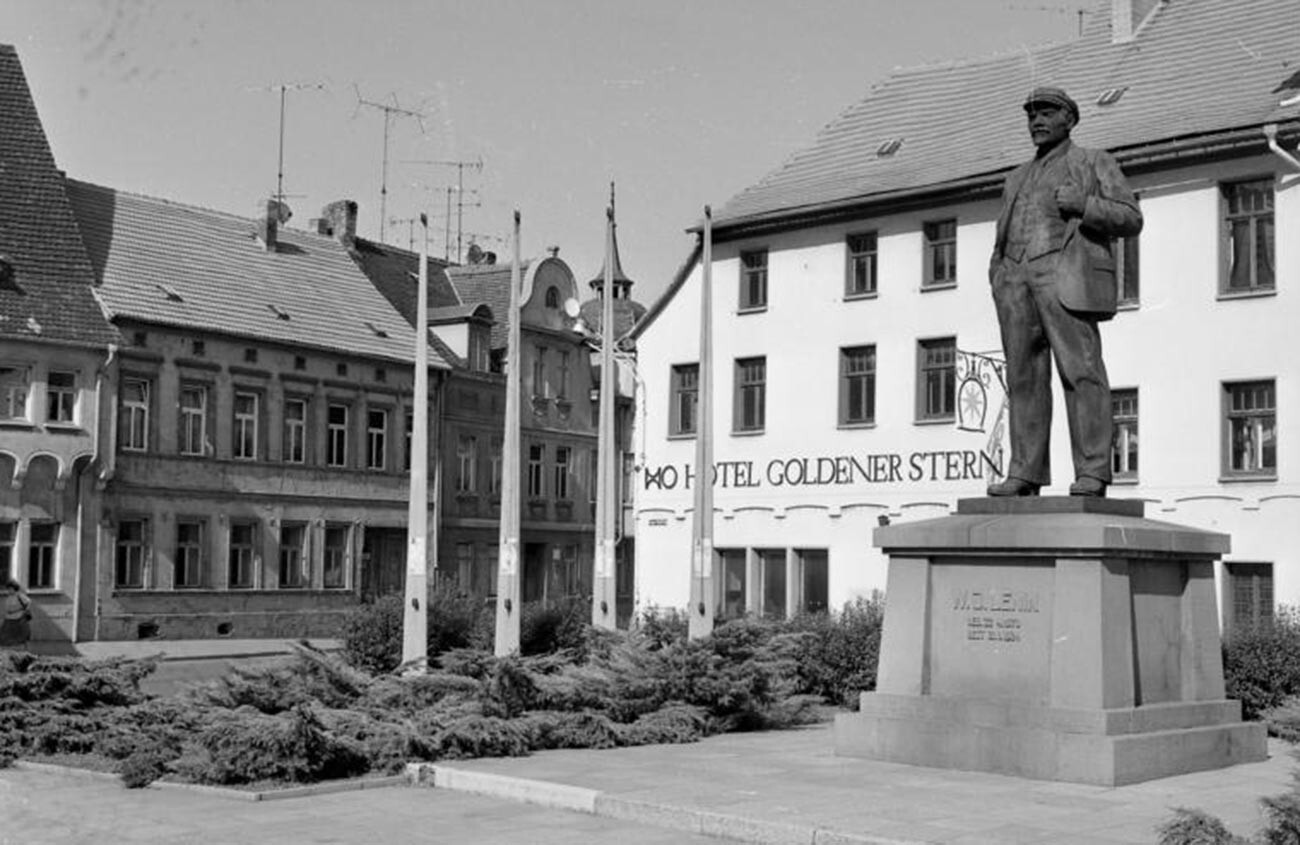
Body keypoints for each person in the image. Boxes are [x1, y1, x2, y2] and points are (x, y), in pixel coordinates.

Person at [986, 86, 1143, 498]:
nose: (1037, 121)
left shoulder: (1093, 161)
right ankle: (1025, 472)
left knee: (1082, 372)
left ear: (1069, 120)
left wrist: (1084, 204)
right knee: (1023, 378)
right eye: (1032, 114)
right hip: (1016, 281)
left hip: (1065, 274)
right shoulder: (1015, 178)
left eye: (1047, 113)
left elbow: (1130, 217)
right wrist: (1000, 273)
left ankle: (1092, 471)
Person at [0, 577, 32, 651]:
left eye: (11, 589)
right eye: (8, 589)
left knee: (21, 634)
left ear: (14, 588)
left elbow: (28, 602)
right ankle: (7, 648)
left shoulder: (19, 596)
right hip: (9, 617)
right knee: (5, 632)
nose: (9, 591)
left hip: (18, 617)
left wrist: (24, 610)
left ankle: (22, 648)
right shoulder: (9, 597)